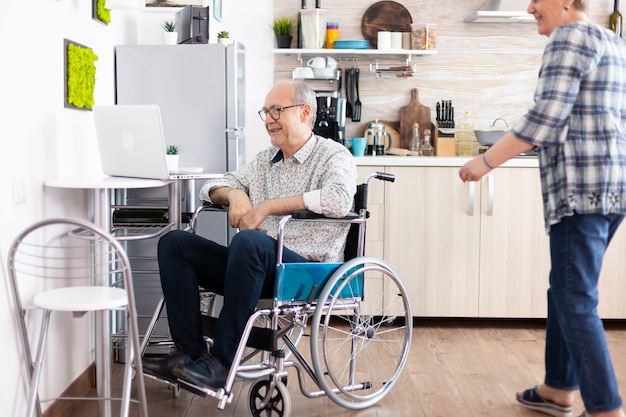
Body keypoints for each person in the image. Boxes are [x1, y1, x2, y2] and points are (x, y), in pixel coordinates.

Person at [459, 1, 626, 417]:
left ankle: (606, 408)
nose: (531, 6)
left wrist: (485, 161)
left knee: (574, 298)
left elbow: (545, 119)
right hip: (612, 186)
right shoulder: (612, 41)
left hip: (580, 189)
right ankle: (558, 386)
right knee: (566, 291)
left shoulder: (568, 38)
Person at [142, 80, 357, 391]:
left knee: (249, 240)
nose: (269, 119)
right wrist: (235, 196)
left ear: (305, 112)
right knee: (174, 243)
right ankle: (188, 355)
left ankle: (222, 363)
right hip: (254, 266)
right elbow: (212, 185)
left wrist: (268, 206)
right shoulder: (265, 161)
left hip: (305, 272)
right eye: (266, 112)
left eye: (276, 110)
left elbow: (338, 199)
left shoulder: (333, 155)